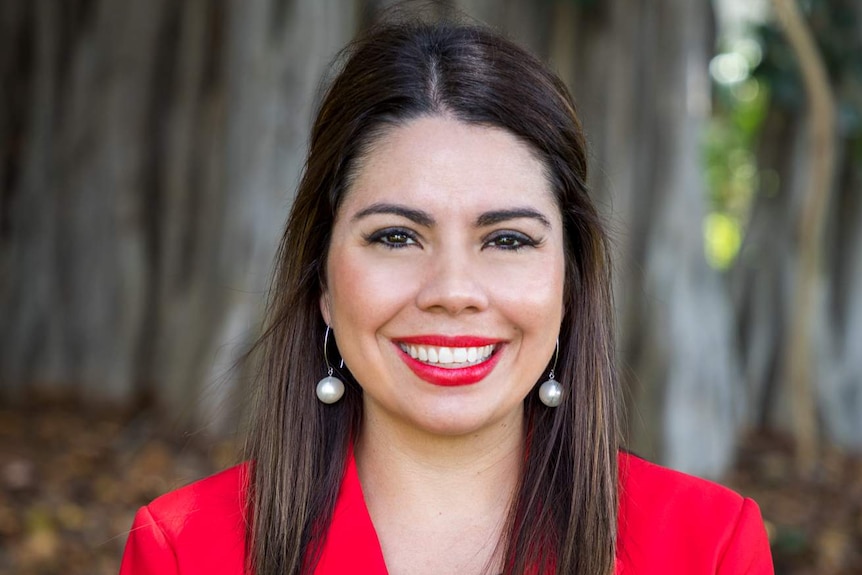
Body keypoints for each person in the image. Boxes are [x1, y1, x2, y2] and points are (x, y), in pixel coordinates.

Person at [119, 15, 774, 575]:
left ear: (569, 282)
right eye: (398, 236)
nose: (453, 291)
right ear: (321, 278)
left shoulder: (707, 544)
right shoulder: (187, 547)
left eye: (509, 240)